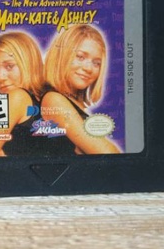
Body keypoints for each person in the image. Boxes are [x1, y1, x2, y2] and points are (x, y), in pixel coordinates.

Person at [41, 24, 121, 155]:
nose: (89, 68)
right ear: (61, 55)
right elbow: (108, 153)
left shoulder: (71, 101)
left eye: (96, 63)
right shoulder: (54, 100)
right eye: (80, 57)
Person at [0, 32, 46, 157]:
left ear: (28, 63)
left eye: (9, 66)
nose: (0, 78)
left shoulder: (17, 97)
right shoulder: (47, 97)